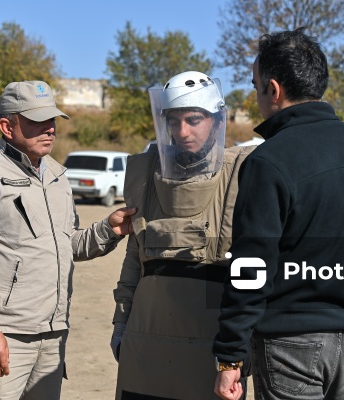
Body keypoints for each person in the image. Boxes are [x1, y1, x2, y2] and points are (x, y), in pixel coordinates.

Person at [213, 29, 344, 400]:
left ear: (274, 89)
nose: (256, 96)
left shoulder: (269, 160)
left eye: (255, 86)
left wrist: (228, 357)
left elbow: (251, 264)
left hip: (290, 345)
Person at [0, 80, 136, 400]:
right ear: (7, 125)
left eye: (52, 120)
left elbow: (68, 245)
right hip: (5, 337)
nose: (49, 129)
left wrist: (108, 230)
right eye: (37, 121)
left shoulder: (57, 176)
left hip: (53, 337)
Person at [111, 71, 255, 399]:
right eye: (173, 121)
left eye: (193, 119)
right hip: (146, 339)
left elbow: (252, 268)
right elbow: (136, 258)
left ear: (218, 122)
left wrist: (242, 343)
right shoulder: (145, 174)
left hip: (213, 340)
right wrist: (121, 323)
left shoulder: (243, 174)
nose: (182, 131)